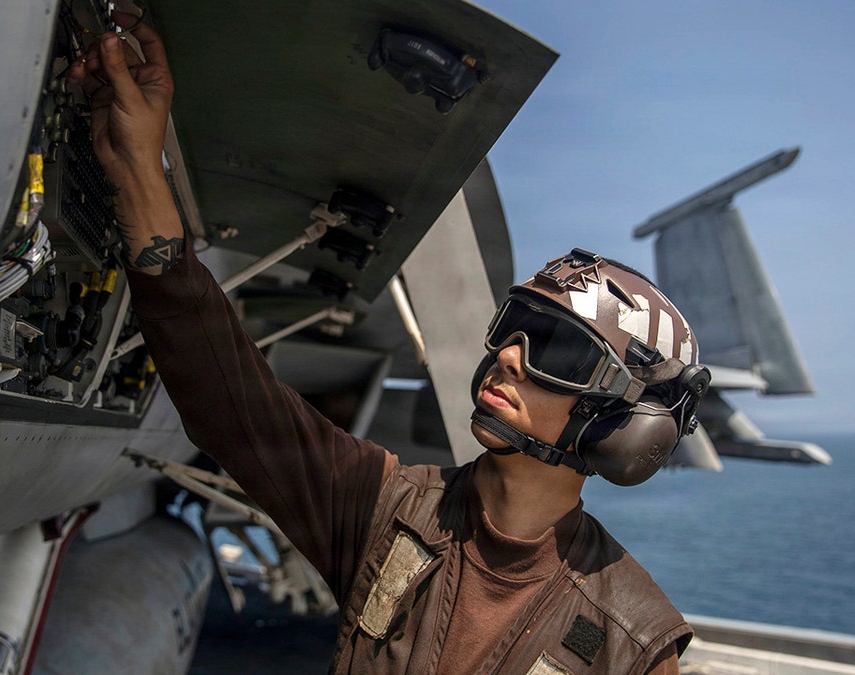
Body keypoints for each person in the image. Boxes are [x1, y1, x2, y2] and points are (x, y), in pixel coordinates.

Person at [67, 16, 710, 674]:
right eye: (511, 328)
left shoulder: (630, 639)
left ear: (622, 426)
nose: (510, 355)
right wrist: (140, 165)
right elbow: (225, 390)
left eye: (556, 351)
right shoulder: (385, 509)